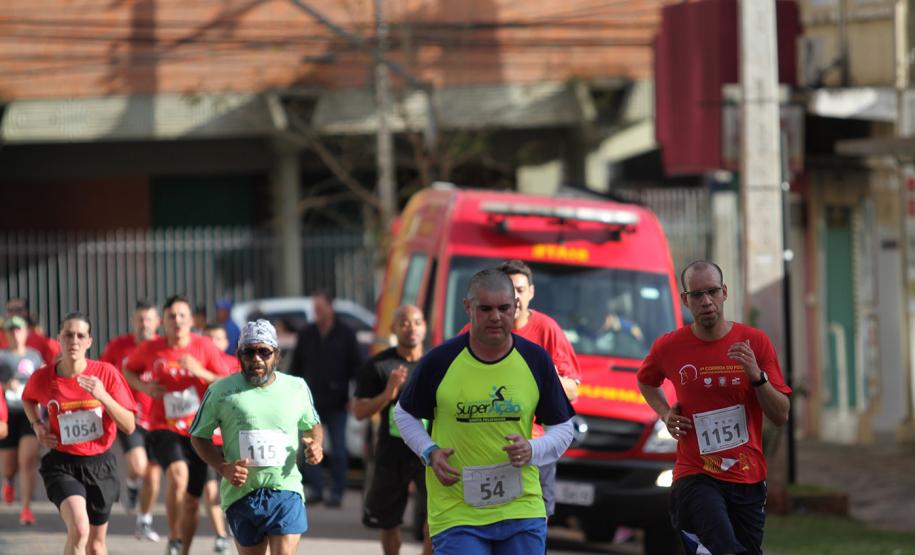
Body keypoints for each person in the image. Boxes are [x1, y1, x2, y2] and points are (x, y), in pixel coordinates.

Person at [394, 268, 575, 554]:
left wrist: (532, 449)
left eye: (504, 308)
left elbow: (564, 428)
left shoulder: (535, 359)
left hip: (520, 507)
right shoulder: (441, 361)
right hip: (457, 510)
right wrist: (429, 451)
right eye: (486, 308)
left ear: (516, 306)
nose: (496, 317)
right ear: (468, 307)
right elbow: (404, 413)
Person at [636, 261, 792, 555]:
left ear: (724, 292)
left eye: (711, 292)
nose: (706, 301)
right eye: (697, 295)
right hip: (696, 474)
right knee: (723, 549)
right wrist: (666, 413)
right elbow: (646, 381)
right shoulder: (669, 347)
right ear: (685, 300)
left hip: (748, 477)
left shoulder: (754, 343)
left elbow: (781, 415)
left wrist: (757, 377)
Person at [190, 319, 324, 555]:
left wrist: (316, 445)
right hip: (242, 493)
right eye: (249, 352)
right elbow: (199, 436)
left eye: (264, 352)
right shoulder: (220, 391)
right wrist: (223, 468)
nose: (257, 359)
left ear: (277, 355)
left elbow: (313, 425)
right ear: (239, 355)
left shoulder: (297, 388)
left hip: (285, 489)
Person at [458, 259, 581, 518]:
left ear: (531, 292)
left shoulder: (546, 329)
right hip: (484, 444)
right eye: (509, 291)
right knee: (482, 516)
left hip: (534, 443)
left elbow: (572, 390)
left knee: (535, 516)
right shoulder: (472, 332)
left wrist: (536, 378)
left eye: (521, 290)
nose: (516, 298)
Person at [21, 312, 137, 555]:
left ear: (89, 342)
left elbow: (129, 425)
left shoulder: (106, 373)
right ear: (59, 339)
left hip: (100, 465)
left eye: (80, 335)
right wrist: (37, 426)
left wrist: (103, 396)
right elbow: (28, 399)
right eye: (68, 334)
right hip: (63, 464)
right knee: (80, 529)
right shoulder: (43, 377)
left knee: (96, 544)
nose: (74, 340)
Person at [124, 295, 230, 555]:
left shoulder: (204, 346)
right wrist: (145, 387)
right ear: (163, 322)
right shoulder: (152, 348)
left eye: (183, 315)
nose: (178, 321)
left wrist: (200, 372)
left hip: (199, 431)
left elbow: (225, 382)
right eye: (172, 316)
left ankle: (182, 547)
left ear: (192, 320)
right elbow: (129, 369)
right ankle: (173, 537)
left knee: (193, 502)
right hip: (164, 427)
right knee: (177, 474)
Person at [353, 305, 433, 555]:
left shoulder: (435, 363)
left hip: (429, 451)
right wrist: (388, 394)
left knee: (437, 516)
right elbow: (359, 411)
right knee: (389, 521)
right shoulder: (379, 365)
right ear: (394, 328)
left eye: (417, 322)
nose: (412, 328)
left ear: (425, 326)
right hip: (392, 453)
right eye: (405, 323)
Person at [289, 289, 363, 507]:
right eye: (314, 309)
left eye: (320, 309)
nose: (316, 313)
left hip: (339, 401)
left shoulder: (346, 334)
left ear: (330, 308)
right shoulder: (306, 334)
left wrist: (356, 396)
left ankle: (337, 493)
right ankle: (317, 489)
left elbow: (357, 367)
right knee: (310, 447)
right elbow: (296, 368)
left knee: (339, 450)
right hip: (311, 403)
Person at [99, 300, 163, 541]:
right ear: (132, 321)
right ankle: (133, 484)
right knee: (138, 466)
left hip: (158, 419)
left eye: (148, 319)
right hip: (130, 416)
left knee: (154, 476)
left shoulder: (163, 347)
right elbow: (104, 374)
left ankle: (144, 521)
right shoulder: (118, 346)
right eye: (139, 319)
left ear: (157, 323)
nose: (143, 324)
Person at [0, 315, 45, 525]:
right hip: (6, 416)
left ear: (26, 332)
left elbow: (45, 381)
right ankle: (9, 481)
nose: (15, 334)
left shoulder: (35, 356)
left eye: (19, 330)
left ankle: (26, 508)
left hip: (30, 414)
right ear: (6, 334)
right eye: (11, 330)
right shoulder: (1, 356)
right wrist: (4, 387)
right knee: (9, 466)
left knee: (27, 460)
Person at [201, 322, 240, 553]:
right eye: (208, 339)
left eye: (217, 338)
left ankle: (235, 523)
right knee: (211, 490)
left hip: (230, 437)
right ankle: (220, 535)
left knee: (234, 485)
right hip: (207, 438)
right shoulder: (192, 360)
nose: (212, 344)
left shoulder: (235, 365)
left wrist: (200, 372)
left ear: (226, 343)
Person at [1, 297, 61, 366]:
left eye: (18, 310)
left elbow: (55, 366)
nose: (14, 313)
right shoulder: (1, 336)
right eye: (10, 310)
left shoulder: (42, 340)